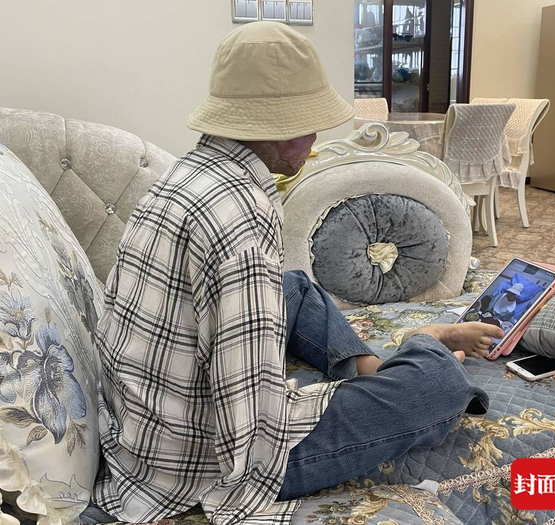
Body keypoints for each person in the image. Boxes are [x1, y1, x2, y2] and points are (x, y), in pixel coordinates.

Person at [87, 22, 503, 525]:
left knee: (295, 288)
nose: (316, 136)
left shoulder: (188, 172)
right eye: (308, 123)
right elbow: (249, 422)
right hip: (199, 463)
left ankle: (369, 367)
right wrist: (321, 406)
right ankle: (423, 344)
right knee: (437, 386)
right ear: (276, 128)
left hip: (143, 425)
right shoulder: (241, 218)